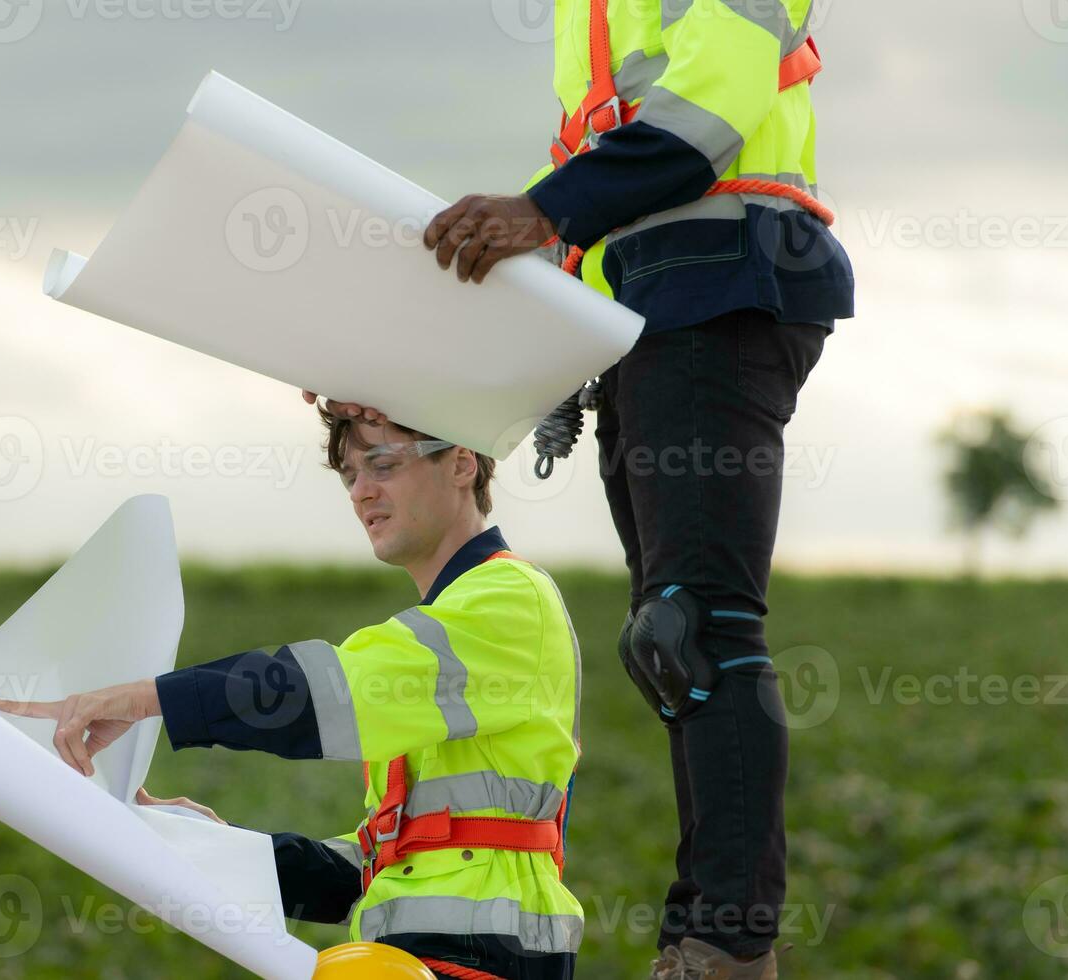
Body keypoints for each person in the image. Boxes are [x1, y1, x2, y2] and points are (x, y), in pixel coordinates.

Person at [320, 2, 854, 976]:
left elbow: (708, 111)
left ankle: (728, 947)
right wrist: (401, 372)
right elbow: (585, 188)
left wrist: (549, 209)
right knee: (669, 641)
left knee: (696, 625)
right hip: (642, 310)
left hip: (726, 281)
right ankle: (704, 936)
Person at [0, 405, 587, 979]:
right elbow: (375, 863)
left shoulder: (509, 599)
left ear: (461, 463)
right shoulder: (455, 620)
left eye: (382, 465)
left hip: (486, 958)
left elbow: (323, 690)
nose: (359, 493)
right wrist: (204, 846)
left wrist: (149, 698)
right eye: (351, 476)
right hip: (427, 957)